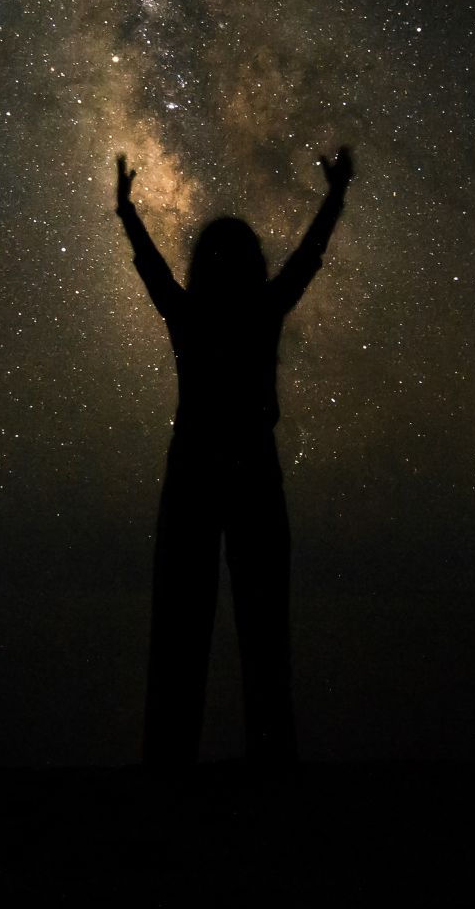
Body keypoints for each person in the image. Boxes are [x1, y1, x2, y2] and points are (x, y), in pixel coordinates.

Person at [114, 147, 354, 771]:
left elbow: (304, 261)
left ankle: (181, 762)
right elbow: (304, 262)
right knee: (233, 627)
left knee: (201, 628)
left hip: (206, 475)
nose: (220, 262)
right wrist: (125, 213)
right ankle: (249, 761)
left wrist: (127, 213)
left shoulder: (205, 313)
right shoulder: (247, 311)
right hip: (236, 475)